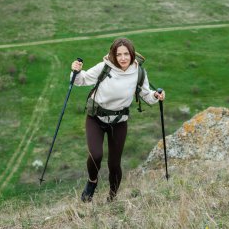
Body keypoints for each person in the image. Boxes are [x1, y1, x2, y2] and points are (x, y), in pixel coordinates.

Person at [70, 38, 165, 202]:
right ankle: (92, 182)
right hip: (96, 118)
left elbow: (146, 95)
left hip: (119, 121)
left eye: (126, 54)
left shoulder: (138, 72)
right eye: (118, 54)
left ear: (132, 54)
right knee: (96, 155)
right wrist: (76, 71)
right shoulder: (104, 67)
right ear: (113, 54)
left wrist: (156, 96)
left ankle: (112, 197)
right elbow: (81, 80)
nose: (122, 58)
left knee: (114, 164)